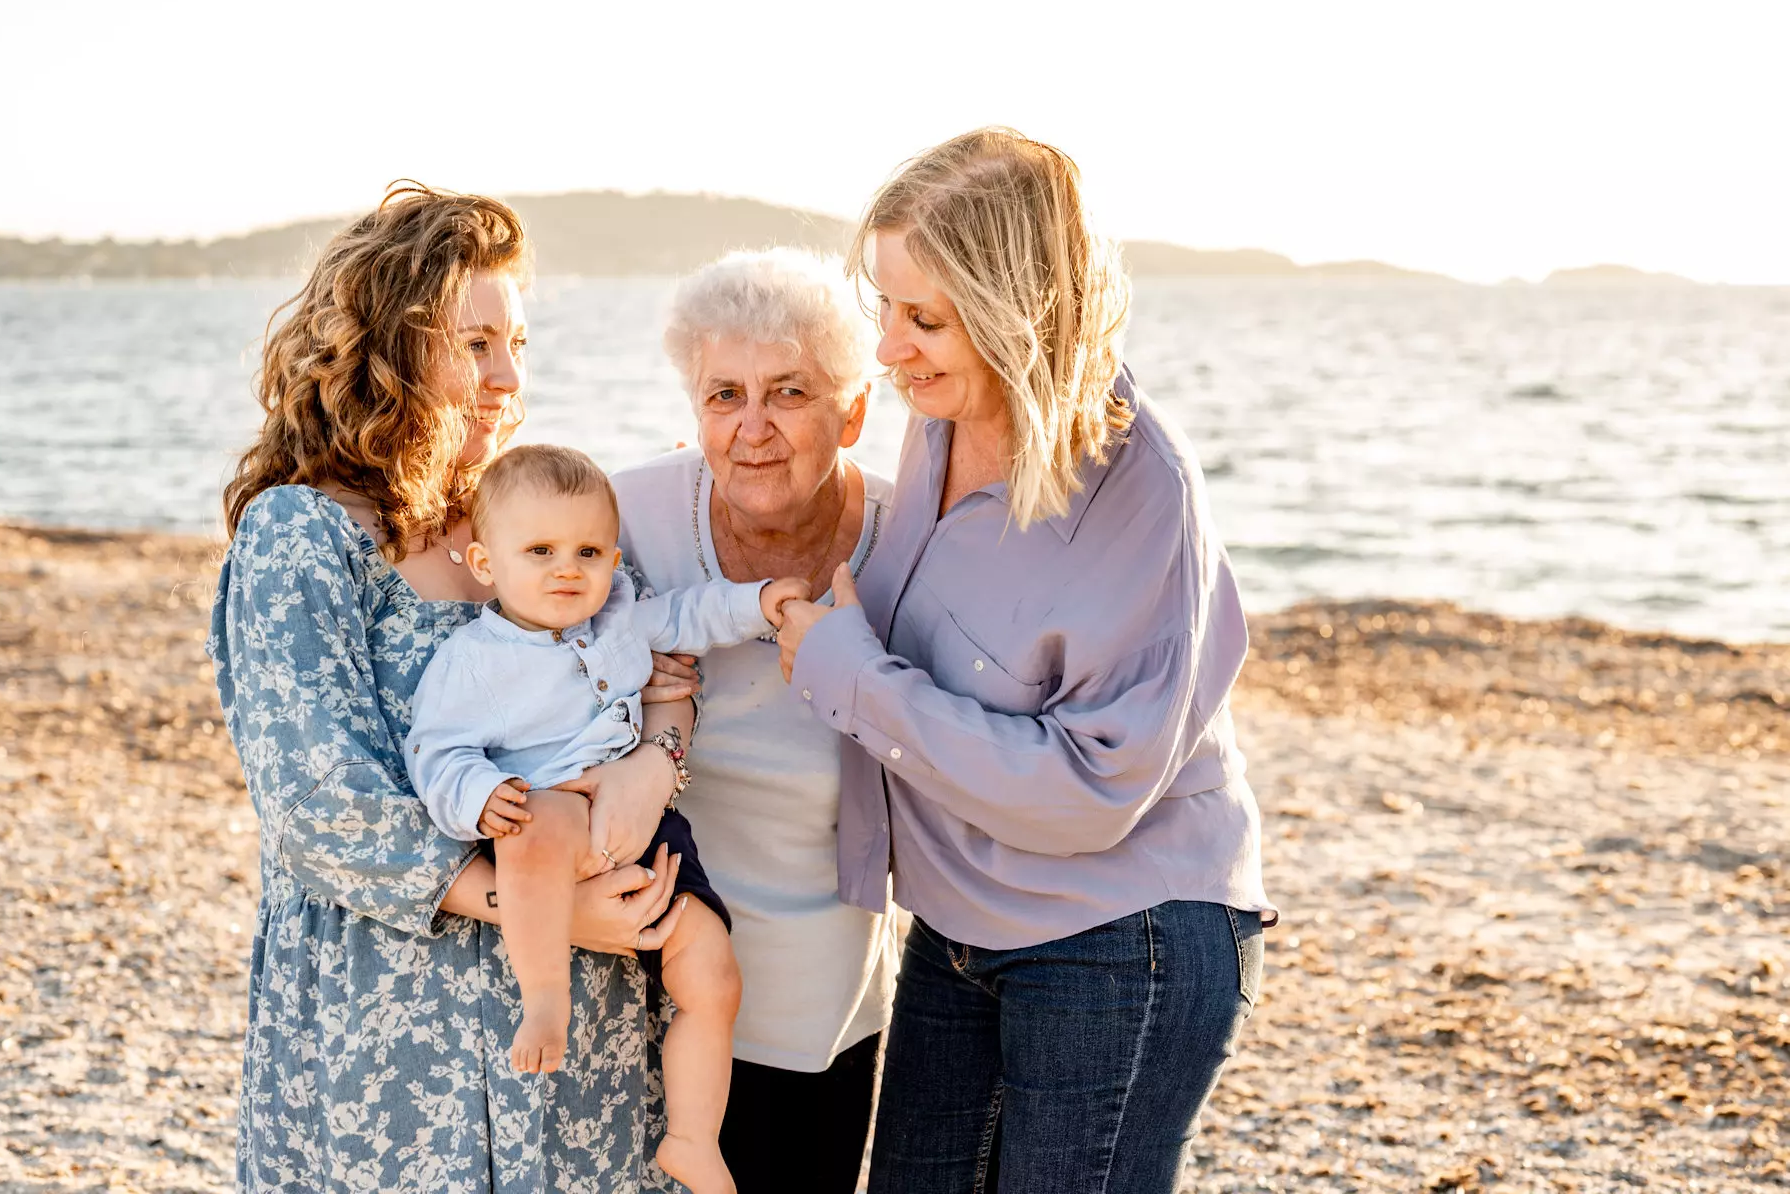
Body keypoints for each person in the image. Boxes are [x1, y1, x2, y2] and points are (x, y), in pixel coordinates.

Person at [774, 129, 1276, 1194]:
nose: (890, 348)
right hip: (957, 920)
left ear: (1019, 309)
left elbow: (1091, 790)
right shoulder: (936, 427)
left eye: (924, 319)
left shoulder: (1141, 490)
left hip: (1121, 933)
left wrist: (848, 673)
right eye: (885, 309)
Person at [209, 184, 695, 1193]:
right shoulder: (303, 535)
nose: (508, 376)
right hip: (390, 1022)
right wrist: (550, 914)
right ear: (388, 348)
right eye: (475, 344)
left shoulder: (520, 519)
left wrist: (658, 758)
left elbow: (650, 659)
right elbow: (321, 806)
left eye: (517, 342)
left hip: (569, 1018)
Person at [405, 442, 808, 1194]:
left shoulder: (621, 615)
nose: (568, 568)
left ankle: (691, 1138)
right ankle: (545, 1001)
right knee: (537, 820)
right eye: (541, 551)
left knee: (712, 964)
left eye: (588, 551)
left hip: (644, 827)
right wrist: (476, 795)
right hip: (549, 813)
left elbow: (692, 614)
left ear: (613, 559)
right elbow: (437, 749)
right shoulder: (474, 659)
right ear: (486, 564)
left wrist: (758, 604)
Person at [611, 248, 900, 1192]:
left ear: (852, 412)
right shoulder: (628, 516)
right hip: (643, 959)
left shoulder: (908, 539)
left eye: (789, 393)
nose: (752, 428)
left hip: (828, 974)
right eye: (723, 395)